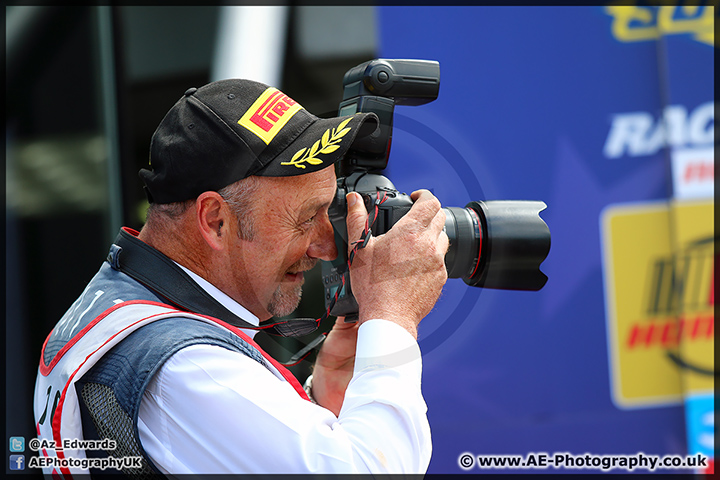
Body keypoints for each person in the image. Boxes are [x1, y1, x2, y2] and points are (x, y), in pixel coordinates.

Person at [33, 79, 449, 476]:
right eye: (306, 218)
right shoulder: (188, 368)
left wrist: (318, 400)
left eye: (330, 210)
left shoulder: (121, 300)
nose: (325, 246)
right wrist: (392, 315)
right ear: (215, 220)